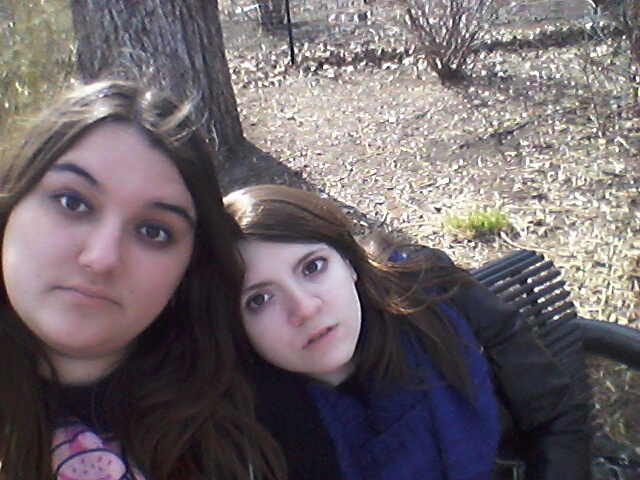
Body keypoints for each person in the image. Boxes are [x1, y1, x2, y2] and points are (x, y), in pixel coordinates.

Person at [0, 80, 286, 480]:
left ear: (189, 269)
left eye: (154, 231)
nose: (101, 258)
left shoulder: (263, 414)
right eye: (72, 202)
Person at [224, 184, 591, 480]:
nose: (304, 308)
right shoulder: (252, 430)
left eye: (313, 267)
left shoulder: (432, 295)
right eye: (259, 299)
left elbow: (556, 418)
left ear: (349, 263)